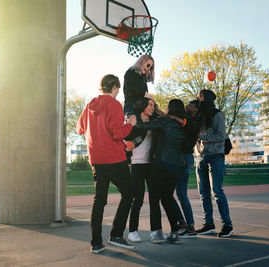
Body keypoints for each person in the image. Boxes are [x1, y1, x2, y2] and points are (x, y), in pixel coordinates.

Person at [76, 74, 137, 254]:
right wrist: (130, 124)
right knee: (129, 192)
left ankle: (96, 243)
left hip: (96, 160)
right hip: (114, 159)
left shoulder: (89, 105)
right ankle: (116, 234)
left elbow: (80, 129)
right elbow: (118, 133)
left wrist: (98, 133)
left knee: (99, 200)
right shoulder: (114, 104)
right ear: (116, 87)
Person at [136, 99, 187, 244]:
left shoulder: (165, 121)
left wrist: (135, 122)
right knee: (167, 198)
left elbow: (145, 125)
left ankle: (156, 233)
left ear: (170, 108)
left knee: (154, 199)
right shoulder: (182, 125)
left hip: (161, 165)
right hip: (175, 167)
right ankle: (174, 233)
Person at [194, 89, 234, 238]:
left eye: (201, 96)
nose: (199, 98)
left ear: (208, 98)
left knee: (216, 191)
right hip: (200, 157)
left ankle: (227, 225)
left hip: (215, 156)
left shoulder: (218, 115)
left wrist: (201, 136)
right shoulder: (199, 115)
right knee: (203, 193)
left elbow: (220, 135)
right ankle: (209, 224)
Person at [124, 97, 155, 243]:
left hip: (152, 164)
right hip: (137, 163)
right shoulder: (134, 122)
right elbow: (124, 139)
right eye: (149, 104)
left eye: (153, 105)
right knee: (138, 200)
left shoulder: (155, 123)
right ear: (142, 106)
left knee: (155, 198)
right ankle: (132, 231)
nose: (152, 107)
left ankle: (156, 231)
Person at [174, 100, 201, 238]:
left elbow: (186, 125)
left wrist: (172, 117)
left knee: (179, 194)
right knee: (177, 194)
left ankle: (189, 225)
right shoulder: (187, 120)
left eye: (191, 105)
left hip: (184, 158)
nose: (187, 106)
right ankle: (184, 222)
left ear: (196, 109)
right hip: (183, 157)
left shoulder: (193, 122)